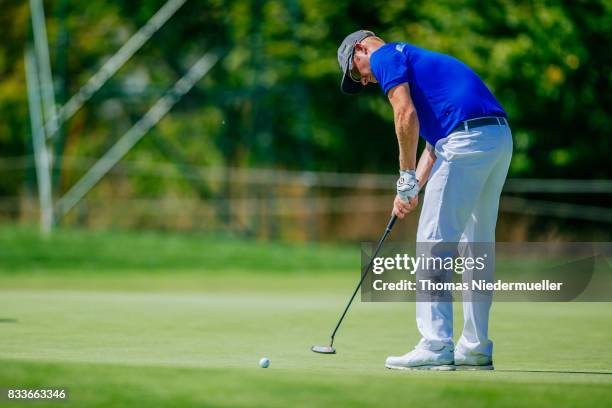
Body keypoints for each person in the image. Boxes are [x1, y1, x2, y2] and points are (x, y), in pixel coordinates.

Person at [337, 30, 513, 370]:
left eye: (355, 69)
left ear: (361, 47)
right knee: (476, 246)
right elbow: (434, 144)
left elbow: (405, 115)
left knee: (434, 241)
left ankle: (435, 344)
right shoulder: (417, 64)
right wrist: (412, 188)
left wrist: (403, 176)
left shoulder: (385, 55)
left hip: (464, 143)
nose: (363, 78)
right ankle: (475, 348)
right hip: (496, 137)